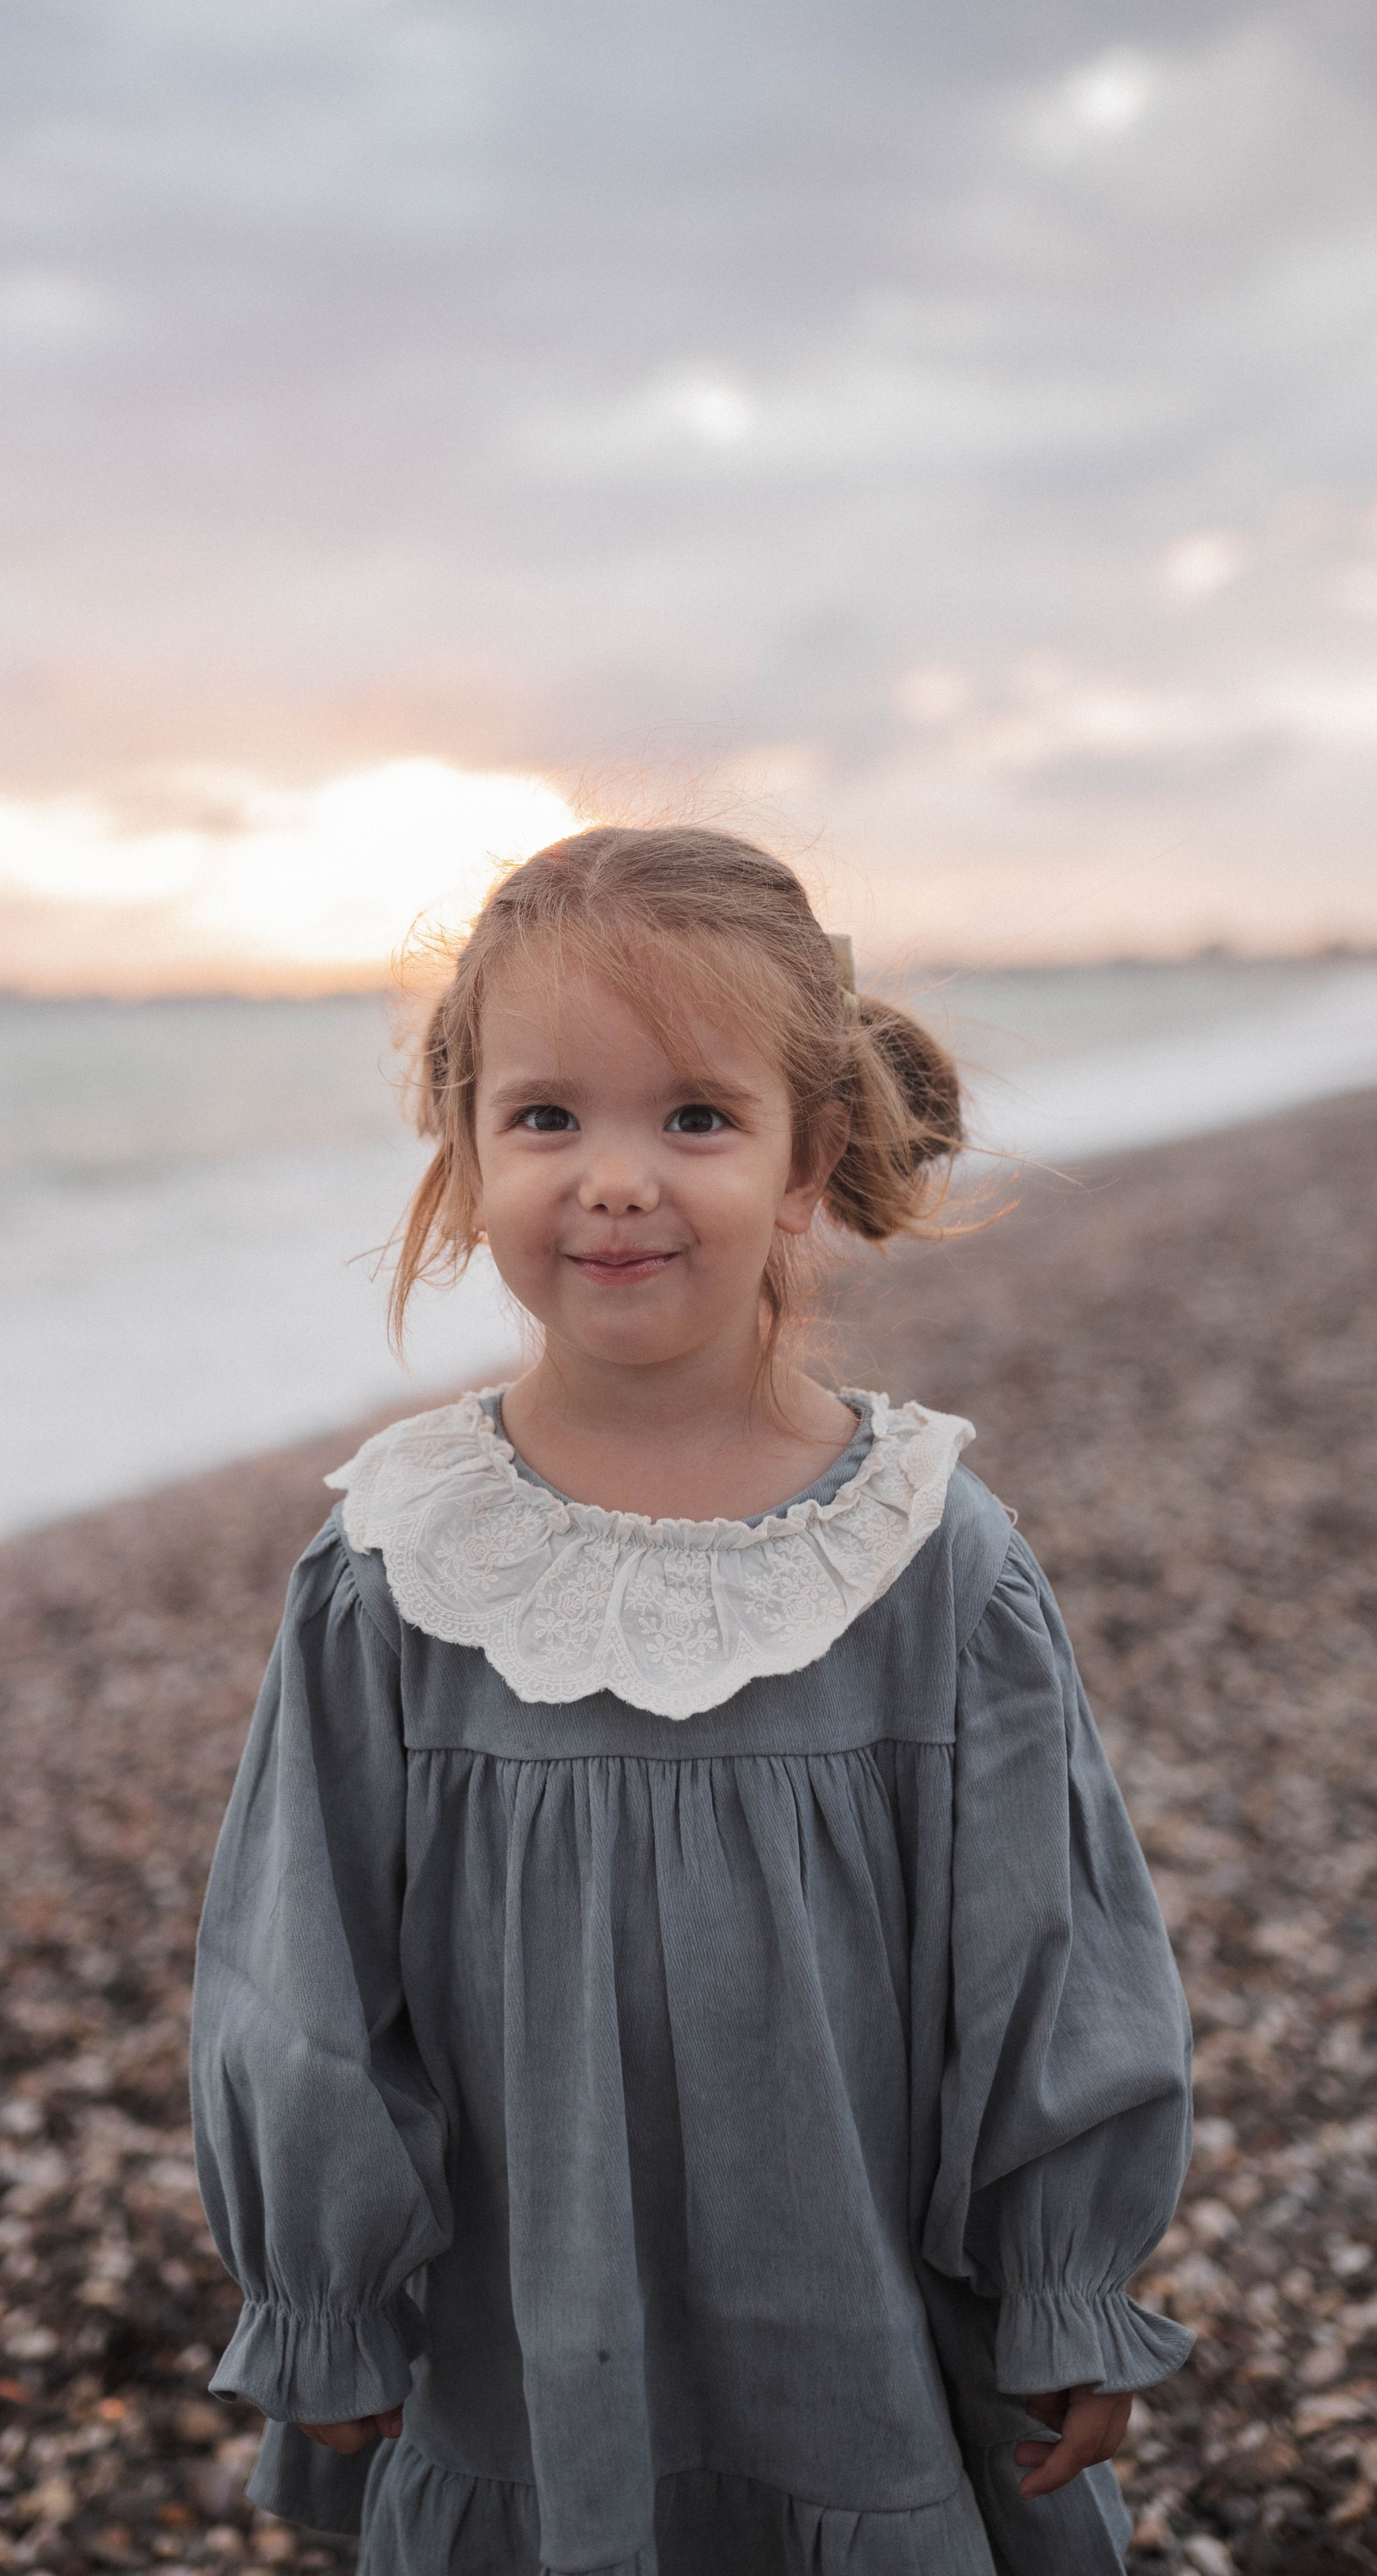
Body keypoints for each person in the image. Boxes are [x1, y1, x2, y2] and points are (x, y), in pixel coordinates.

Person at [190, 826, 1194, 2575]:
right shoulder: (397, 1566)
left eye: (697, 1118)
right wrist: (325, 2296)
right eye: (549, 1116)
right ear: (467, 1146)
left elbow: (1047, 1955)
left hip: (866, 2358)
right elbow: (300, 1978)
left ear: (819, 1155)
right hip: (521, 2366)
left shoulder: (929, 1556)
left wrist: (1063, 2280)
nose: (617, 1179)